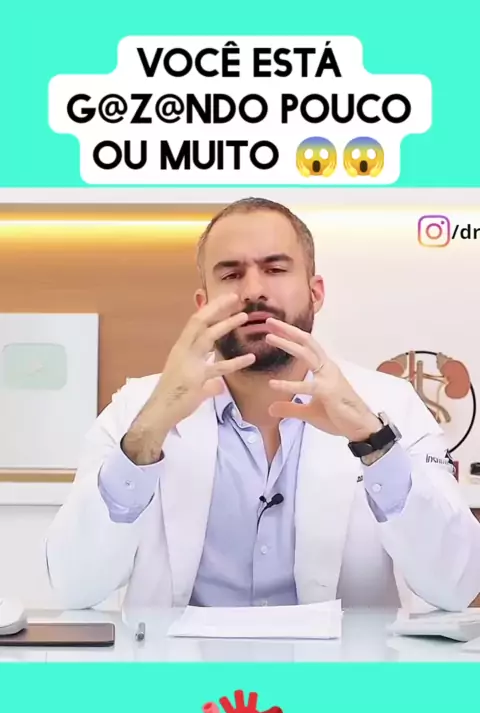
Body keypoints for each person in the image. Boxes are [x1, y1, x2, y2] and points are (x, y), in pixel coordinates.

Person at [45, 197, 480, 613]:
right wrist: (147, 435)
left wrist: (374, 443)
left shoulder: (388, 407)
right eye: (231, 274)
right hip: (178, 666)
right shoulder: (139, 410)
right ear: (203, 304)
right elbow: (73, 585)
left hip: (339, 667)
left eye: (275, 269)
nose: (253, 291)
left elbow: (457, 584)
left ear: (316, 293)